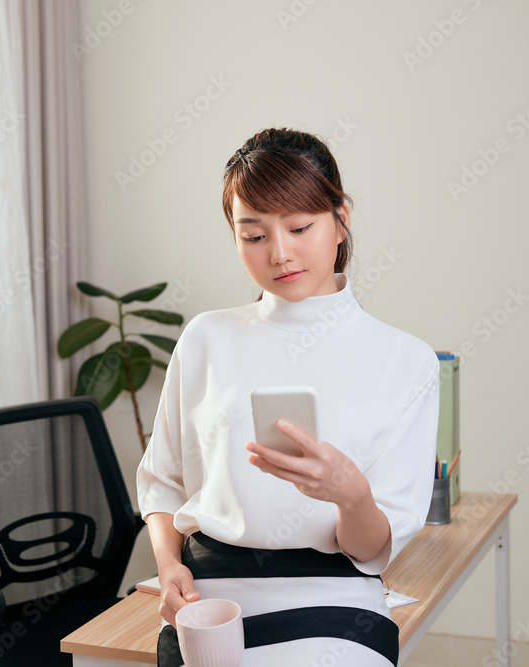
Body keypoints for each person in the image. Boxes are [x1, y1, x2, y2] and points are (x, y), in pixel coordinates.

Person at [135, 127, 441, 666]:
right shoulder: (207, 337)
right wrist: (168, 565)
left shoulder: (405, 360)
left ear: (341, 219)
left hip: (338, 598)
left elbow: (373, 550)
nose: (280, 253)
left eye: (300, 227)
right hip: (211, 599)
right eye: (253, 236)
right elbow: (162, 482)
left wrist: (351, 495)